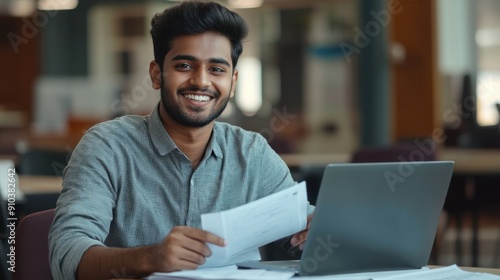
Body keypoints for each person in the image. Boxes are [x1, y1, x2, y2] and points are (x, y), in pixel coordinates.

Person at [48, 1, 314, 279]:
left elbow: (304, 226)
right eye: (185, 65)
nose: (201, 81)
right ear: (156, 74)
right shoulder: (107, 147)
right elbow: (67, 255)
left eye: (217, 69)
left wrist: (316, 229)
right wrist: (151, 257)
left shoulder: (251, 153)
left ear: (233, 83)